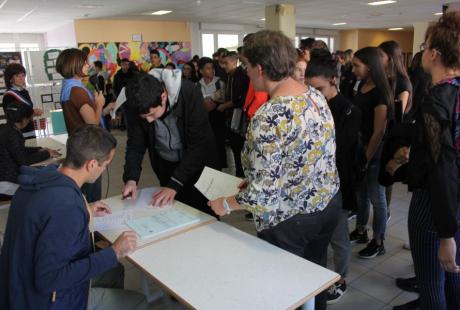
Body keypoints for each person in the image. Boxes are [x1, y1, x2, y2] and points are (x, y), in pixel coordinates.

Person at [208, 30, 341, 310]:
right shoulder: (316, 96)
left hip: (290, 220)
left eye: (246, 65)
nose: (246, 72)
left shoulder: (269, 116)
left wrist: (226, 204)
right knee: (313, 280)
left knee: (286, 290)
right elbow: (307, 155)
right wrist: (256, 176)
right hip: (326, 205)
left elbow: (263, 197)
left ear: (259, 68)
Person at [0, 125, 147, 310]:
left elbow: (46, 218)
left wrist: (86, 209)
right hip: (40, 300)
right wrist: (114, 252)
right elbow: (49, 279)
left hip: (17, 286)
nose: (103, 170)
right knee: (138, 301)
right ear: (92, 164)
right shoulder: (66, 205)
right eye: (105, 165)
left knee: (114, 270)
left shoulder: (38, 182)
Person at [401, 12, 460, 309]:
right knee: (453, 278)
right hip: (455, 203)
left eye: (424, 47)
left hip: (434, 206)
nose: (423, 52)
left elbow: (442, 169)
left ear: (434, 54)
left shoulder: (436, 99)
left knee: (432, 285)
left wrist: (446, 233)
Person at [306, 48, 362, 304]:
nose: (312, 94)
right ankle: (318, 276)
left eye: (317, 88)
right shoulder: (309, 106)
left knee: (339, 238)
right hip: (312, 184)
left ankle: (340, 278)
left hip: (338, 184)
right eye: (309, 88)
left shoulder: (349, 111)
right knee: (319, 238)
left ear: (333, 81)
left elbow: (339, 154)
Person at [122, 71, 219, 216]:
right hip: (167, 165)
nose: (149, 121)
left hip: (199, 166)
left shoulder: (189, 92)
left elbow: (198, 145)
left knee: (204, 213)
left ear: (163, 96)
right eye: (144, 117)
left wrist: (175, 184)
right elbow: (135, 145)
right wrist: (131, 179)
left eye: (152, 114)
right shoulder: (134, 101)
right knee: (175, 213)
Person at [348, 47, 393, 259]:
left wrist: (367, 156)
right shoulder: (362, 85)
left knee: (377, 196)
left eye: (357, 65)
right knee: (361, 193)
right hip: (360, 147)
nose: (353, 69)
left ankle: (379, 240)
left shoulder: (381, 92)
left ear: (370, 66)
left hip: (374, 151)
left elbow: (379, 131)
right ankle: (360, 230)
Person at [56, 48, 106, 203]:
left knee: (83, 193)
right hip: (89, 148)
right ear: (74, 64)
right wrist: (99, 105)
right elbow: (92, 124)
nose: (88, 65)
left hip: (78, 145)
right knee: (91, 196)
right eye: (84, 62)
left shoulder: (68, 87)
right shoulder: (77, 91)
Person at [0, 101, 59, 201]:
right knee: (42, 189)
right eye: (29, 119)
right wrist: (47, 153)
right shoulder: (12, 134)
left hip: (5, 179)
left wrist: (39, 149)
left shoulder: (7, 128)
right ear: (23, 119)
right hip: (6, 184)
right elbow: (24, 161)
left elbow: (19, 150)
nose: (30, 121)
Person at [220, 50, 249, 177]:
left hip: (238, 116)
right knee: (234, 146)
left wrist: (225, 105)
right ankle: (238, 172)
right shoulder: (229, 75)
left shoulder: (241, 75)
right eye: (222, 63)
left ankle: (241, 174)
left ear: (234, 62)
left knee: (238, 146)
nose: (224, 66)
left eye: (226, 63)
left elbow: (240, 99)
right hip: (230, 115)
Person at [198, 57, 227, 169]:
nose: (211, 70)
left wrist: (211, 100)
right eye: (208, 68)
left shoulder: (220, 82)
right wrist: (213, 98)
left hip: (218, 118)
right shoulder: (197, 85)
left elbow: (223, 98)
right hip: (204, 119)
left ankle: (219, 168)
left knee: (219, 143)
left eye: (212, 68)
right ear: (201, 71)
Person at [2, 63, 43, 139]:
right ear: (10, 79)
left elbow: (26, 112)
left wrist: (34, 112)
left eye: (23, 75)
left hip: (30, 130)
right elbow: (14, 120)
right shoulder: (9, 96)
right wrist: (33, 114)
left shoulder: (24, 92)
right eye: (17, 76)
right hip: (18, 134)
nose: (22, 78)